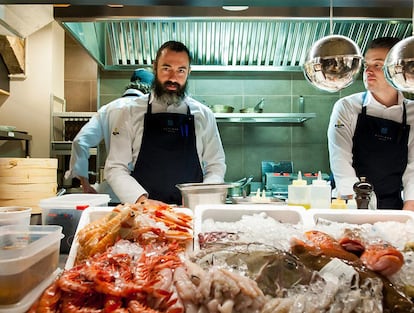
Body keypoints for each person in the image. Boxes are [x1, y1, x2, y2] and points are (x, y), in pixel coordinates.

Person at [104, 40, 226, 205]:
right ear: (155, 67)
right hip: (144, 213)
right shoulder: (129, 112)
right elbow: (115, 168)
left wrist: (200, 199)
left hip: (190, 213)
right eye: (166, 68)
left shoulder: (204, 115)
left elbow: (215, 165)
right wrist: (142, 202)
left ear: (189, 71)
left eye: (181, 70)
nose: (173, 78)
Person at [327, 37, 414, 210]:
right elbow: (341, 160)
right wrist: (360, 212)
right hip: (349, 204)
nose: (368, 71)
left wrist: (408, 215)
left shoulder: (413, 113)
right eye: (367, 65)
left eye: (377, 65)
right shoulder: (346, 107)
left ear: (395, 68)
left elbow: (413, 168)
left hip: (394, 208)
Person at [64, 68, 154, 201]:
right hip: (145, 194)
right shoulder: (149, 109)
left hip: (112, 193)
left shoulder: (107, 109)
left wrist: (85, 184)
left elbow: (80, 141)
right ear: (150, 88)